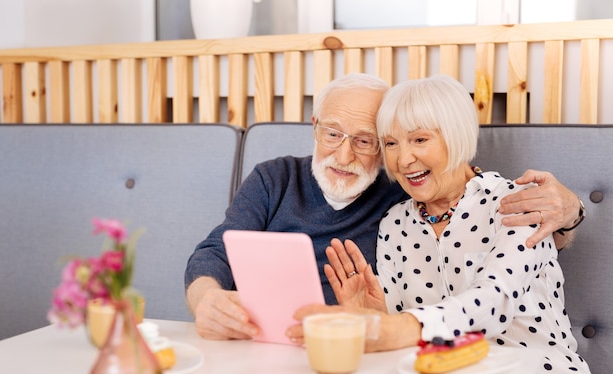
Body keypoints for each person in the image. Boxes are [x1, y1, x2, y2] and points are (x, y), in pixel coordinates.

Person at [185, 73, 583, 341]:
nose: (344, 154)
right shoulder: (278, 179)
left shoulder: (406, 194)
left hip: (366, 356)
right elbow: (214, 252)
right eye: (332, 133)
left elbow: (516, 229)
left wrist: (570, 214)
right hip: (268, 345)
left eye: (366, 141)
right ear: (314, 126)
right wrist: (207, 300)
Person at [287, 75, 598, 374]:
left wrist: (392, 328)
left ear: (457, 136)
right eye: (390, 144)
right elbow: (406, 339)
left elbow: (494, 302)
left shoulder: (516, 203)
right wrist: (377, 314)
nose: (403, 159)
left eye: (419, 139)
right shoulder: (395, 222)